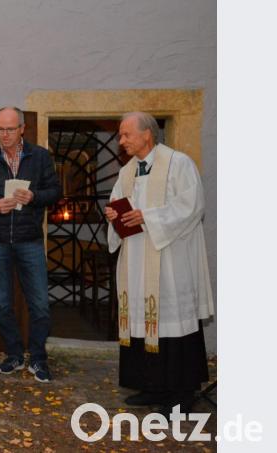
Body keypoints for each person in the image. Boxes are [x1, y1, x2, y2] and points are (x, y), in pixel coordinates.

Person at [104, 112, 213, 413]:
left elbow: (191, 206)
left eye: (126, 134)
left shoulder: (178, 164)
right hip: (136, 262)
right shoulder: (127, 172)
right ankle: (151, 386)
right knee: (141, 321)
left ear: (147, 135)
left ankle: (179, 393)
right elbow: (118, 204)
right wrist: (114, 216)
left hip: (170, 261)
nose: (121, 140)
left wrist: (147, 217)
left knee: (170, 323)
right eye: (120, 135)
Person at [0, 106, 62, 383]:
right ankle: (14, 354)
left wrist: (34, 197)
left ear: (22, 129)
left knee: (40, 304)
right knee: (3, 304)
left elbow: (55, 191)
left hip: (29, 240)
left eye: (9, 129)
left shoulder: (41, 157)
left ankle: (39, 358)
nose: (4, 135)